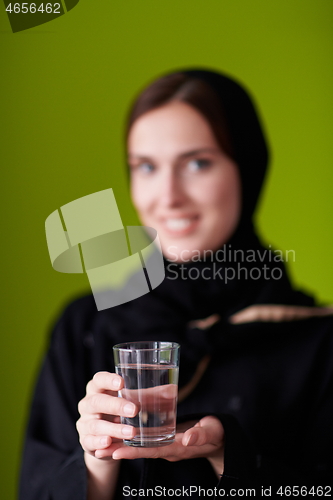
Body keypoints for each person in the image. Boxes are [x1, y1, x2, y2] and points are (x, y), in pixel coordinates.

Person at [19, 69, 333, 500]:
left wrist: (232, 461)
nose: (168, 196)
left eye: (197, 163)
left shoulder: (319, 340)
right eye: (146, 167)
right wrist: (96, 463)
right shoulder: (84, 327)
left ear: (248, 168)